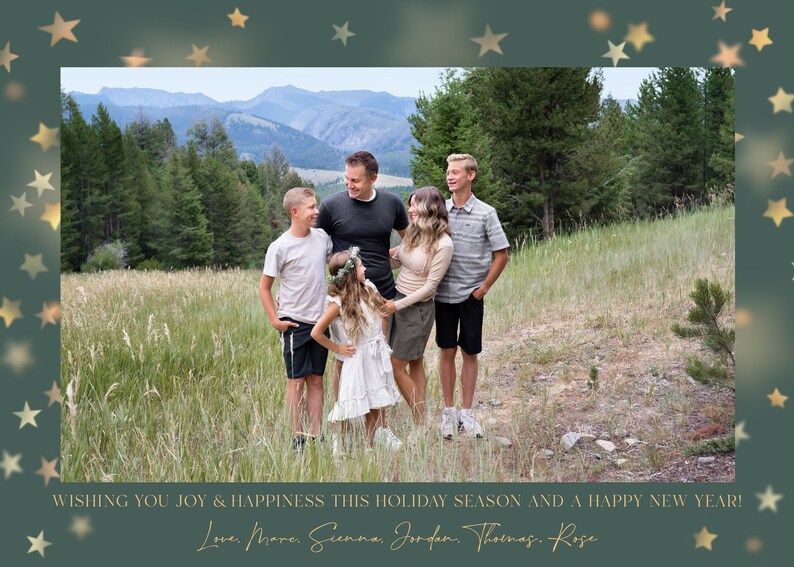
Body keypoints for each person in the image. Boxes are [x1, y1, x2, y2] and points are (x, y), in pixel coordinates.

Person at [317, 151, 408, 450]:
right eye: (346, 178)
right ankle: (339, 432)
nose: (349, 185)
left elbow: (409, 241)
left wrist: (394, 261)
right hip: (346, 300)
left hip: (380, 293)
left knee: (379, 361)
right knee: (345, 361)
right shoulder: (332, 205)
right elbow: (314, 248)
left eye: (355, 180)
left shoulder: (392, 203)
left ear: (373, 178)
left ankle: (379, 429)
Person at [435, 154, 509, 439]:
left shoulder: (486, 213)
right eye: (448, 172)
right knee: (446, 351)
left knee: (469, 352)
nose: (450, 176)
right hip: (442, 294)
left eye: (455, 172)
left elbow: (502, 255)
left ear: (471, 175)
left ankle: (467, 413)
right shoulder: (440, 210)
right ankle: (449, 413)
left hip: (471, 295)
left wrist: (482, 289)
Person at [259, 187, 332, 452]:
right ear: (295, 212)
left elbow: (331, 266)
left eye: (316, 206)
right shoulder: (279, 247)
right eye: (312, 207)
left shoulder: (322, 238)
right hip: (294, 323)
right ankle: (297, 437)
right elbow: (264, 287)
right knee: (296, 381)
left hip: (321, 322)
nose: (317, 211)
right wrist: (275, 320)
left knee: (316, 380)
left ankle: (316, 435)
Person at [311, 248, 402, 449]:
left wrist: (382, 335)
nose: (365, 268)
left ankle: (371, 444)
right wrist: (338, 348)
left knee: (375, 403)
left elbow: (383, 311)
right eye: (361, 265)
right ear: (351, 272)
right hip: (357, 356)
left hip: (375, 352)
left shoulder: (369, 287)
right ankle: (344, 440)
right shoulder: (338, 302)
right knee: (352, 402)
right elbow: (316, 332)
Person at [382, 187, 453, 435]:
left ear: (429, 208)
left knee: (395, 365)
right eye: (409, 204)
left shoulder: (444, 244)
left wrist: (397, 305)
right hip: (398, 300)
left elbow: (430, 287)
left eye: (414, 205)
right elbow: (398, 261)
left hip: (417, 309)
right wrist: (371, 261)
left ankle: (421, 421)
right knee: (415, 362)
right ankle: (420, 422)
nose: (409, 210)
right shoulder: (414, 232)